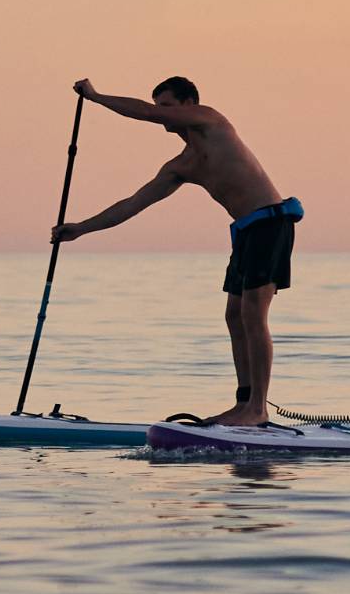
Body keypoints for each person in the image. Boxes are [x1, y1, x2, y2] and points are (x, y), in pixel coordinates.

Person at [55, 76, 303, 427]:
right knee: (234, 316)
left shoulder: (212, 121)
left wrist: (95, 97)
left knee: (252, 313)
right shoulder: (183, 165)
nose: (160, 115)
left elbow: (142, 113)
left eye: (166, 107)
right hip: (246, 232)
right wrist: (81, 228)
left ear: (189, 105)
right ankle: (244, 402)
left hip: (271, 224)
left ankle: (258, 410)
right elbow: (134, 203)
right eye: (158, 107)